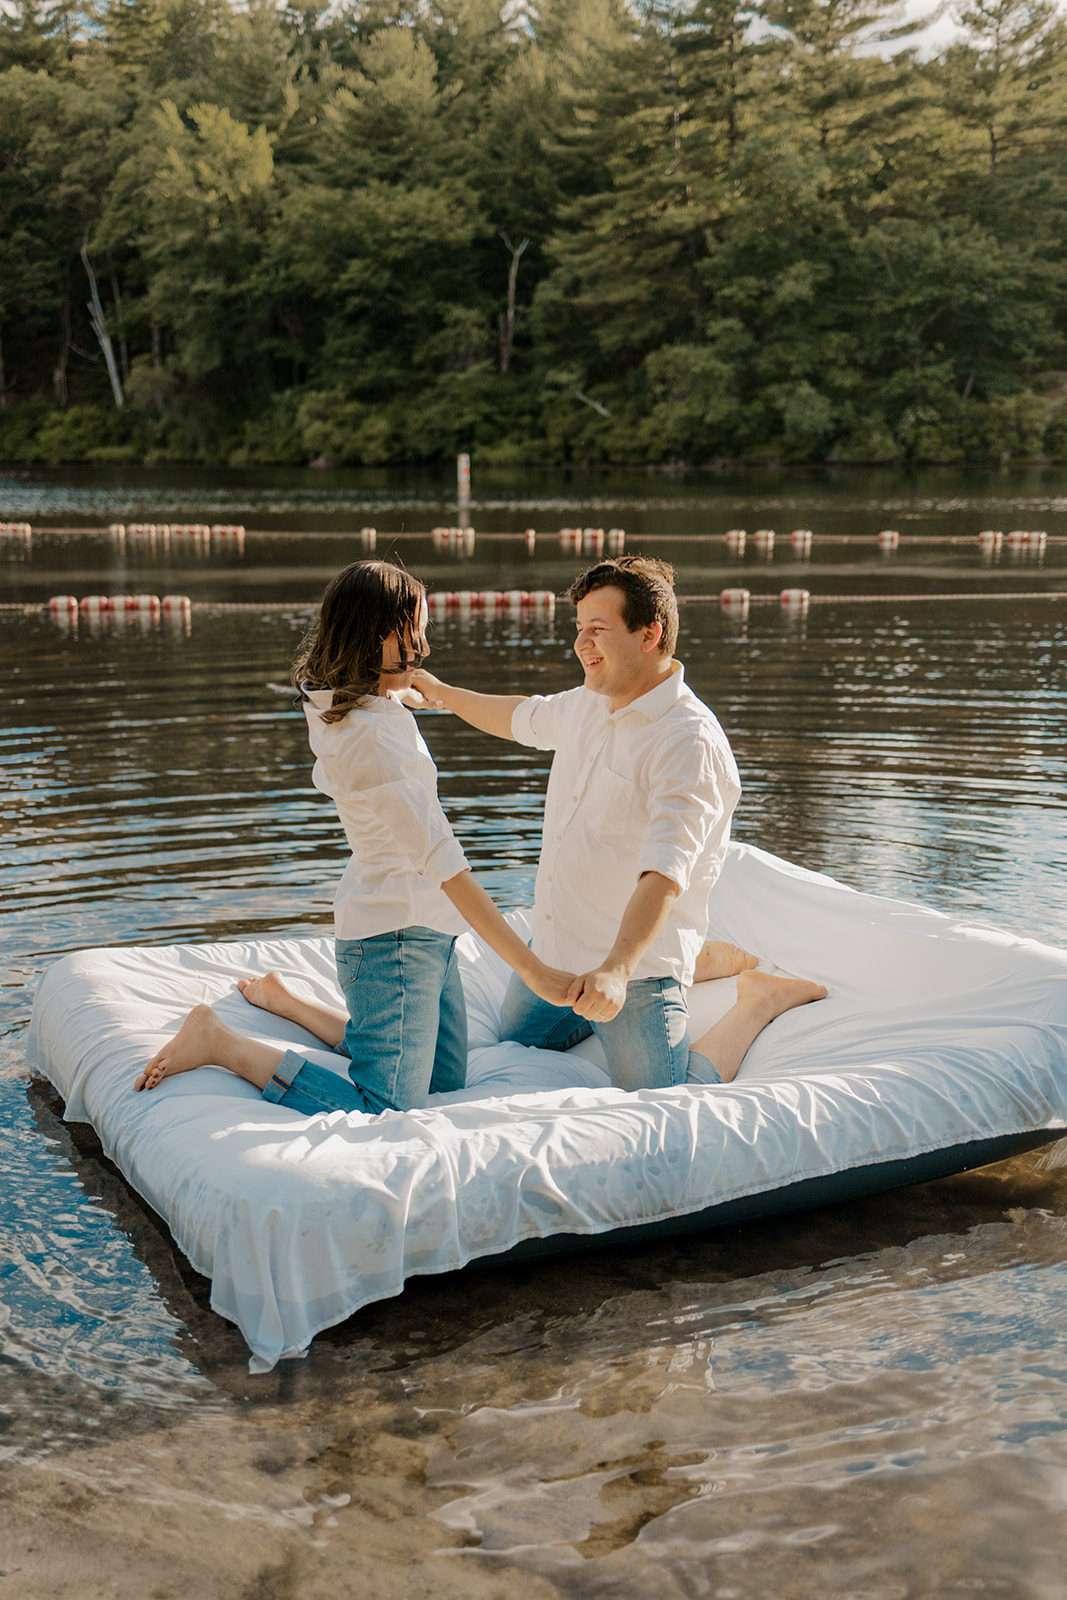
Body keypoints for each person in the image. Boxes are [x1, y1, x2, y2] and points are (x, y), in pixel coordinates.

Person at [135, 559, 577, 1113]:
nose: (423, 649)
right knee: (384, 1108)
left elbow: (386, 702)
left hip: (426, 933)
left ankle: (289, 1004)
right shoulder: (369, 741)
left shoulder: (356, 699)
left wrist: (420, 686)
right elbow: (447, 867)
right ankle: (220, 1043)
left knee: (445, 1086)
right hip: (392, 941)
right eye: (411, 636)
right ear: (370, 637)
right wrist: (532, 971)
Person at [412, 555, 826, 1089]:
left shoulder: (687, 742)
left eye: (598, 630)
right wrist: (440, 693)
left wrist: (617, 970)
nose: (581, 643)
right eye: (579, 629)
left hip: (636, 972)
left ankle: (757, 1000)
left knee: (663, 1102)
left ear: (649, 634)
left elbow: (664, 875)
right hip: (556, 952)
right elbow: (521, 717)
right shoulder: (591, 700)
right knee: (515, 1041)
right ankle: (706, 960)